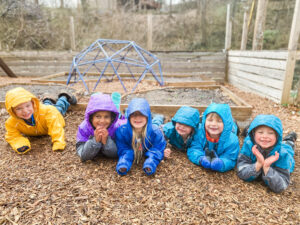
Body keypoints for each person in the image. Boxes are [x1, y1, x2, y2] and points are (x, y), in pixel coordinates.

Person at [5, 87, 77, 154]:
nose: (25, 111)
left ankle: (64, 97)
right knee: (45, 106)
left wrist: (58, 142)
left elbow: (55, 127)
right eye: (19, 109)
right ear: (12, 111)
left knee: (59, 108)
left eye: (27, 106)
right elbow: (12, 136)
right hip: (43, 111)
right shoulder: (11, 122)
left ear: (33, 104)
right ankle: (48, 100)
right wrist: (21, 145)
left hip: (52, 112)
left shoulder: (49, 113)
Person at [236, 114, 297, 193]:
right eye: (260, 132)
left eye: (270, 133)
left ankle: (290, 139)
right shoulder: (248, 146)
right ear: (253, 134)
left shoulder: (283, 154)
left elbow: (281, 186)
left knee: (288, 146)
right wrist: (258, 164)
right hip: (258, 141)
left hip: (283, 150)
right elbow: (241, 172)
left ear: (277, 136)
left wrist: (267, 167)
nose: (265, 136)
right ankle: (248, 130)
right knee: (251, 137)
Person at [116, 98, 166, 176]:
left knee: (156, 122)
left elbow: (157, 149)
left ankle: (159, 117)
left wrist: (151, 162)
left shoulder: (156, 132)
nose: (138, 118)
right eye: (134, 114)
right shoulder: (122, 131)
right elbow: (123, 149)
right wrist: (124, 163)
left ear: (147, 117)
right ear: (129, 117)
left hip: (153, 127)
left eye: (142, 114)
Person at [187, 103, 240, 172]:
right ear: (204, 121)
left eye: (219, 121)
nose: (214, 124)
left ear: (225, 124)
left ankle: (233, 123)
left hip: (231, 128)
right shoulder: (200, 133)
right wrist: (200, 159)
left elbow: (231, 158)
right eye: (210, 120)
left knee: (233, 126)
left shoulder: (233, 140)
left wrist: (221, 163)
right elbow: (194, 149)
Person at [76, 93, 126, 161]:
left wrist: (106, 141)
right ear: (91, 118)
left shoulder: (117, 128)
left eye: (106, 117)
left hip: (121, 121)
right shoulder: (83, 129)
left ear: (111, 118)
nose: (102, 121)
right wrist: (95, 141)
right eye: (98, 116)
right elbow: (83, 155)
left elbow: (117, 153)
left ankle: (118, 109)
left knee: (123, 117)